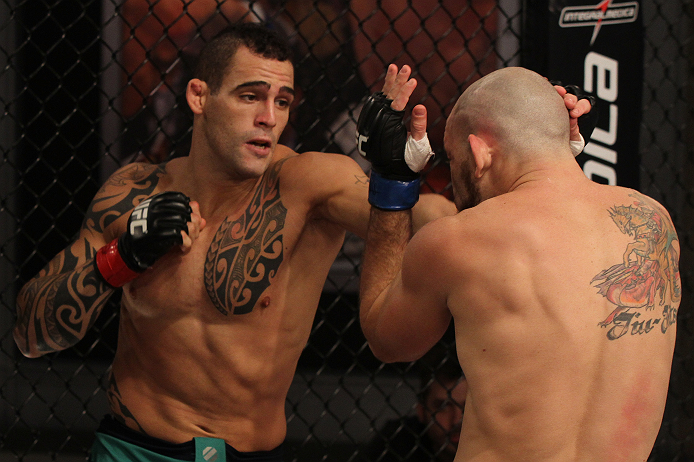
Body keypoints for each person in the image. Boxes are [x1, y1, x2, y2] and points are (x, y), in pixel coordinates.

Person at [13, 22, 454, 462]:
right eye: (250, 96)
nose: (269, 117)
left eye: (282, 101)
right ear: (199, 97)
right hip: (132, 449)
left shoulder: (308, 184)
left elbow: (436, 219)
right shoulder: (133, 192)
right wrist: (120, 258)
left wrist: (396, 174)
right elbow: (32, 335)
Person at [358, 66, 681, 461]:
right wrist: (558, 154)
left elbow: (385, 339)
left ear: (479, 153)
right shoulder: (652, 222)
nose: (456, 182)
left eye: (455, 160)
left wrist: (391, 180)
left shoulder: (458, 240)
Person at [365, 342, 466, 462]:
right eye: (443, 407)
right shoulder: (397, 443)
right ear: (421, 411)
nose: (457, 420)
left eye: (469, 407)